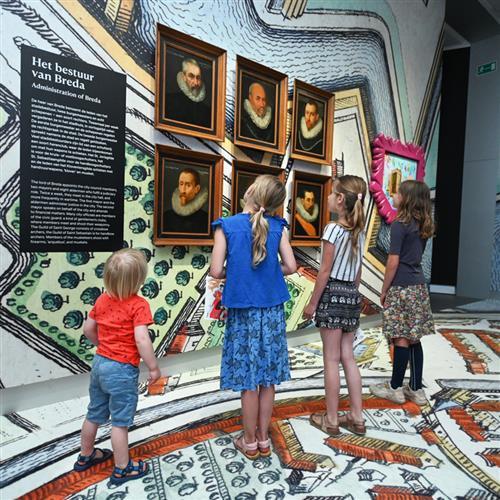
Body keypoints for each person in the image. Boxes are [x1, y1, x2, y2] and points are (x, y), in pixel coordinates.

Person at [210, 175, 297, 459]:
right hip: (271, 311)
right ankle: (263, 439)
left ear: (250, 191)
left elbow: (215, 270)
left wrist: (237, 272)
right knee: (267, 378)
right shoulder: (279, 227)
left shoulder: (226, 226)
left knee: (248, 379)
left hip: (242, 311)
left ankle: (248, 442)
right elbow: (291, 266)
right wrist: (269, 270)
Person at [73, 248, 161, 485]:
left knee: (93, 413)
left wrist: (103, 345)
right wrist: (153, 367)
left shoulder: (101, 299)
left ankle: (86, 455)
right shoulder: (139, 305)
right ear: (139, 280)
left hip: (100, 364)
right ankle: (123, 468)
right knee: (120, 422)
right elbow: (142, 340)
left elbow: (88, 329)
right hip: (121, 370)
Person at [302, 175, 367, 436]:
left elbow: (325, 270)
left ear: (340, 199)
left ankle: (331, 419)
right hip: (351, 294)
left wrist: (312, 303)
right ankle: (357, 416)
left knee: (330, 359)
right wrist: (352, 296)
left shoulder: (332, 229)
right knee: (348, 357)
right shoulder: (359, 230)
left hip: (332, 295)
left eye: (331, 193)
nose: (328, 197)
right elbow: (358, 271)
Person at [369, 180, 435, 406]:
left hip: (401, 287)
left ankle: (395, 388)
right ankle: (416, 390)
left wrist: (384, 289)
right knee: (414, 337)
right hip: (418, 287)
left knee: (400, 338)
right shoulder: (423, 224)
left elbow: (393, 261)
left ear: (407, 199)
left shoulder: (399, 224)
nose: (393, 195)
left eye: (398, 192)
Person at [167, 58, 211, 128]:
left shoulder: (207, 111)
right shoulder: (170, 100)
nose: (196, 83)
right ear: (184, 77)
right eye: (191, 76)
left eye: (198, 77)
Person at [164, 168, 208, 234]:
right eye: (181, 184)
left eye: (188, 185)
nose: (183, 190)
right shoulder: (167, 216)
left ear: (197, 189)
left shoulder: (205, 219)